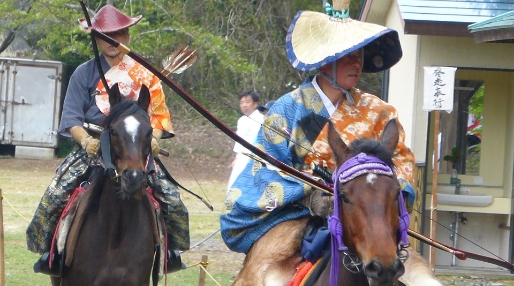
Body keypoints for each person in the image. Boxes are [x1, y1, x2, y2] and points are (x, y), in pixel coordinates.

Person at [221, 0, 439, 284]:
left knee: (421, 277)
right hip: (299, 215)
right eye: (348, 54)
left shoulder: (380, 111)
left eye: (359, 54)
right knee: (269, 277)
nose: (357, 62)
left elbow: (401, 163)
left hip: (366, 213)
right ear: (325, 58)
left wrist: (380, 195)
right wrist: (309, 196)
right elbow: (264, 169)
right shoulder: (288, 109)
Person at [26, 5, 189, 275]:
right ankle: (50, 253)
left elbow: (158, 117)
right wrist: (85, 141)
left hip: (137, 146)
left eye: (119, 33)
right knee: (55, 195)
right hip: (93, 145)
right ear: (96, 38)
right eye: (106, 35)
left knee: (172, 199)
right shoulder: (83, 73)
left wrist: (155, 140)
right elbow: (71, 119)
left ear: (127, 35)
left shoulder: (146, 74)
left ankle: (171, 253)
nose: (112, 41)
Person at [226, 90, 264, 191]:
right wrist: (237, 157)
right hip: (242, 156)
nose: (244, 105)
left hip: (254, 156)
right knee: (234, 185)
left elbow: (260, 139)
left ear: (255, 104)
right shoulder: (242, 120)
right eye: (242, 103)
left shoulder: (260, 118)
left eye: (247, 102)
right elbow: (239, 140)